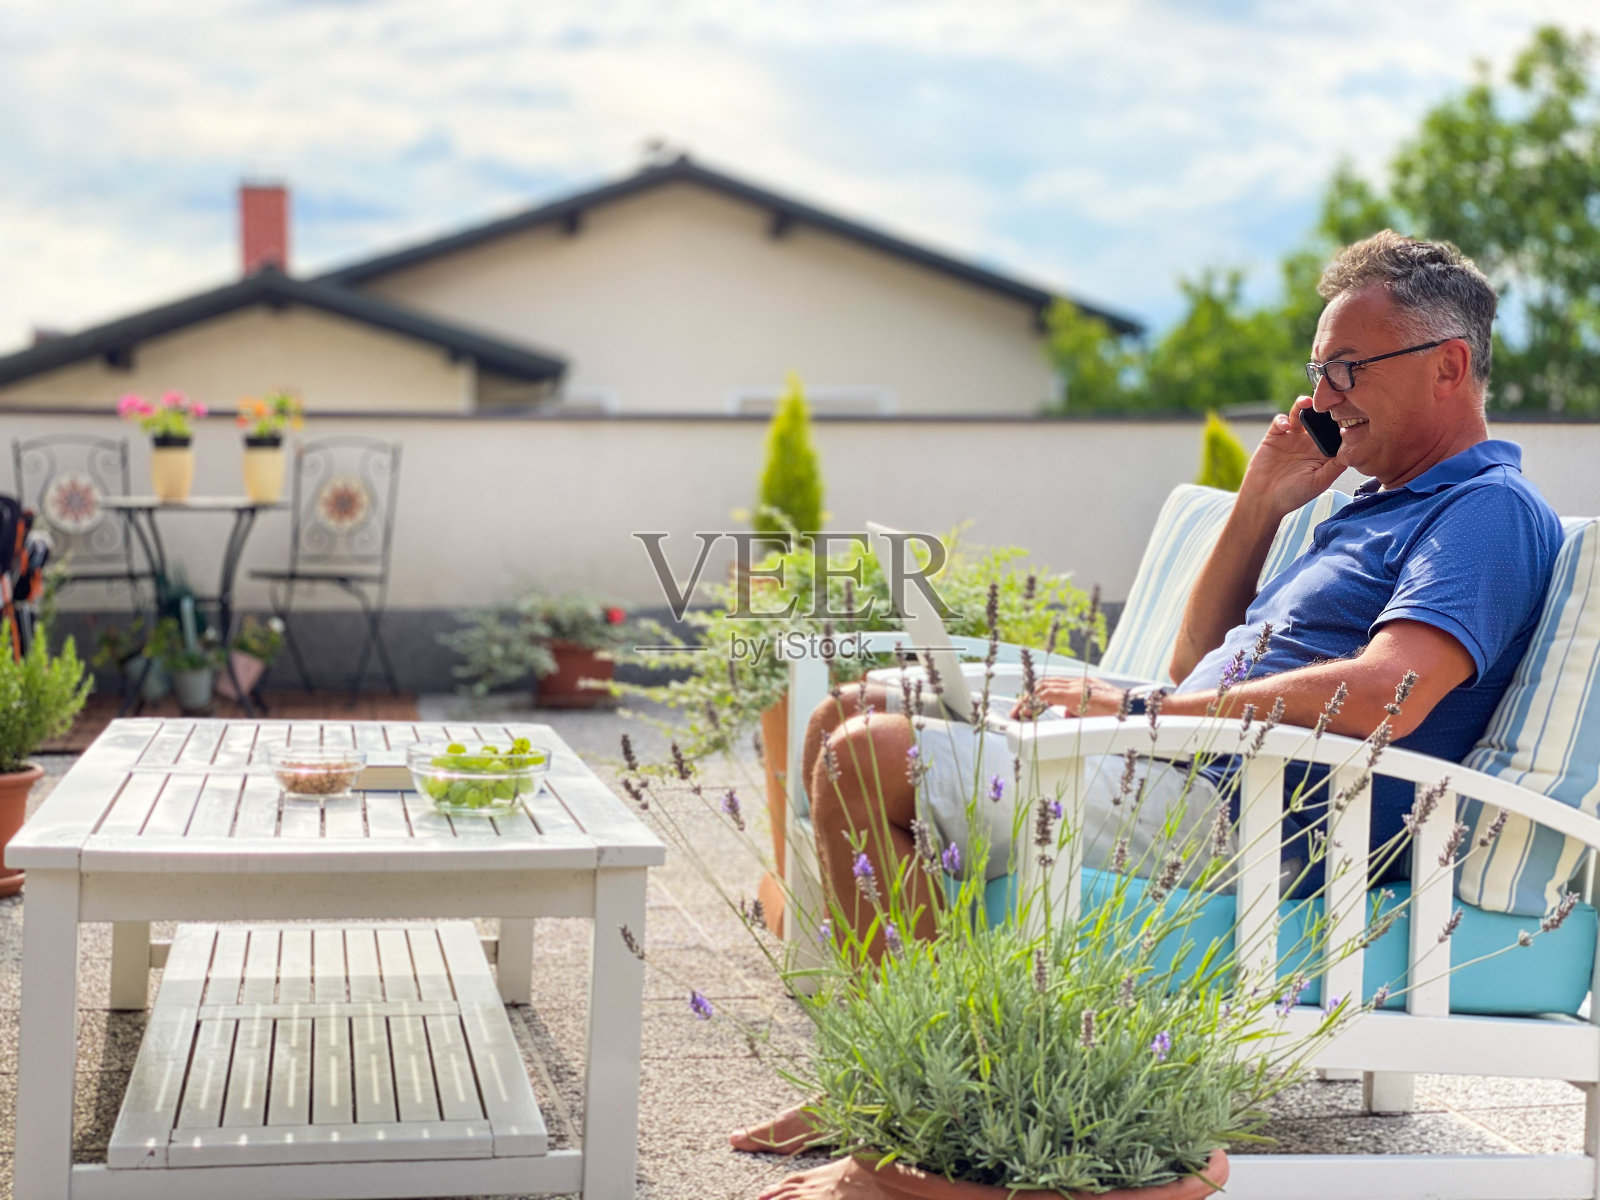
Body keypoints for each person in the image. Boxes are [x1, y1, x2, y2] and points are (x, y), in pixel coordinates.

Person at [731, 231, 1564, 1194]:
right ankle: (893, 1074)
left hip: (1262, 819)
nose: (1325, 396)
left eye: (1348, 368)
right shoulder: (1370, 505)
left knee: (866, 756)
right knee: (843, 712)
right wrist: (1260, 504)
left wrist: (1139, 707)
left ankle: (916, 1113)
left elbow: (1389, 693)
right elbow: (1193, 659)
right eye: (1318, 372)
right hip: (1184, 766)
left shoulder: (1484, 512)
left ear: (1448, 366)